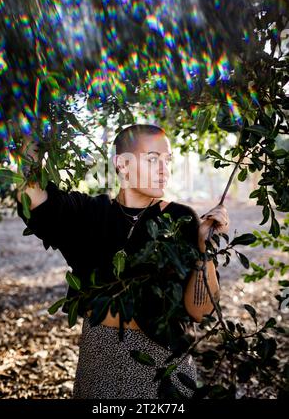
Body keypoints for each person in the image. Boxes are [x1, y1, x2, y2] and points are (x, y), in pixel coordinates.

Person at [16, 124, 229, 399]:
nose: (164, 169)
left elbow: (200, 312)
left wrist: (204, 248)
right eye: (153, 159)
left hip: (162, 361)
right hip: (100, 359)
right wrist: (30, 119)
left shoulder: (180, 219)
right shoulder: (90, 213)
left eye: (167, 160)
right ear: (122, 164)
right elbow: (31, 195)